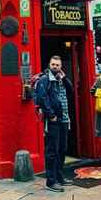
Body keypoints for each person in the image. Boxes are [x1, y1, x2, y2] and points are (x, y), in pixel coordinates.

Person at [37, 55, 74, 192]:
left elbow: (71, 92)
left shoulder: (60, 79)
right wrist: (51, 115)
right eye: (53, 64)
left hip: (64, 119)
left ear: (61, 67)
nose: (55, 67)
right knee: (52, 150)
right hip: (53, 120)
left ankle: (59, 176)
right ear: (49, 64)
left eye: (57, 65)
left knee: (62, 149)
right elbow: (42, 98)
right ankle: (51, 181)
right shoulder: (45, 79)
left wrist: (64, 78)